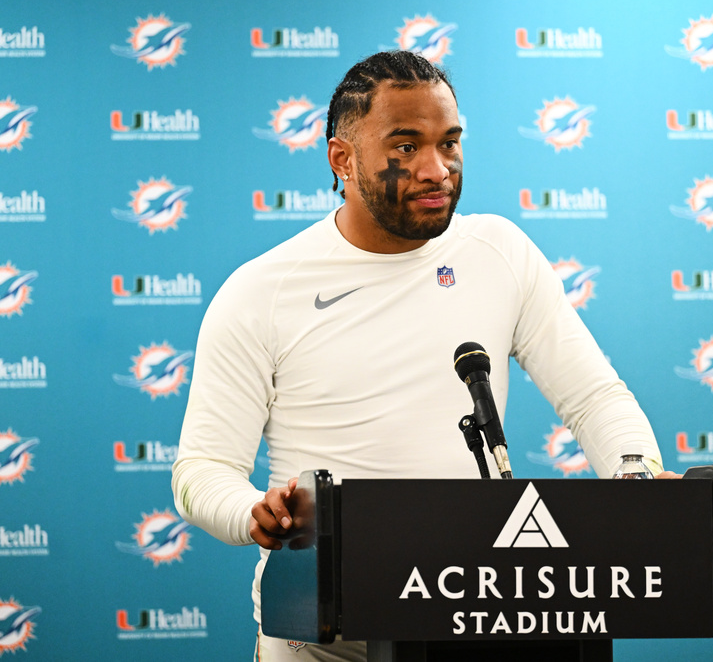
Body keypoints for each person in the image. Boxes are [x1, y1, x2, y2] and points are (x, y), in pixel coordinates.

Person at [172, 50, 670, 662]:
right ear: (343, 160)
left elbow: (595, 398)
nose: (437, 169)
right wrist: (254, 512)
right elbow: (198, 474)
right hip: (321, 638)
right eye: (405, 147)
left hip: (477, 619)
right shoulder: (260, 291)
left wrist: (635, 477)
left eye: (450, 143)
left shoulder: (500, 252)